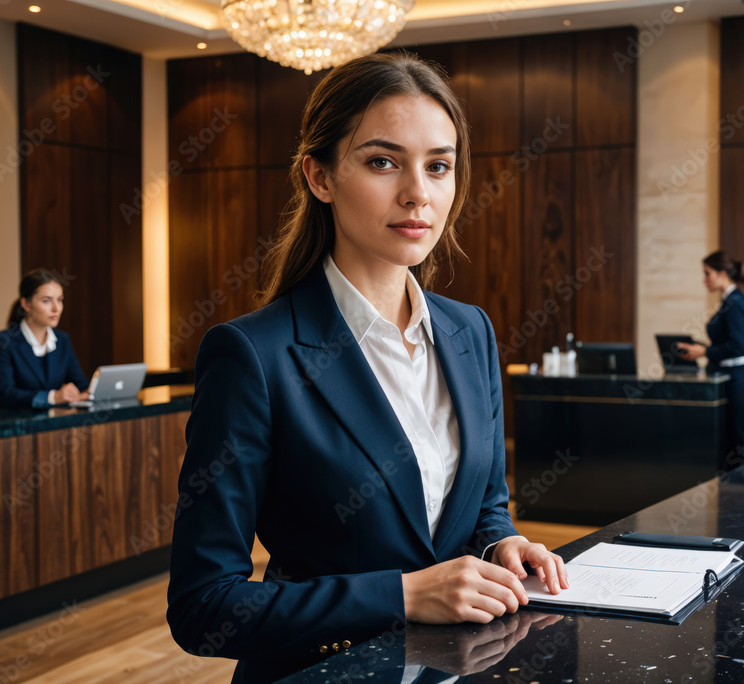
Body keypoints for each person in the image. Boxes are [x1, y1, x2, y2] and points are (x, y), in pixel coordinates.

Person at [166, 52, 569, 683]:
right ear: (319, 177)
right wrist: (404, 595)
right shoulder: (252, 356)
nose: (418, 193)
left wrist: (498, 545)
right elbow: (202, 606)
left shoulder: (472, 331)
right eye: (383, 162)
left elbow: (485, 502)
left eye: (438, 166)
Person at [677, 251, 744, 465]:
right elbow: (730, 343)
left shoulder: (735, 301)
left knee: (742, 443)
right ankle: (734, 495)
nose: (704, 279)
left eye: (707, 273)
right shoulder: (729, 300)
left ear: (722, 273)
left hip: (739, 380)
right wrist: (701, 348)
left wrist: (704, 352)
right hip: (730, 377)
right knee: (730, 443)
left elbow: (738, 345)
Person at [0, 269, 89, 409]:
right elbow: (5, 393)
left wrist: (83, 394)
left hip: (53, 423)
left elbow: (81, 384)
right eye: (46, 301)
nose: (56, 308)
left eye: (60, 300)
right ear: (26, 304)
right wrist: (52, 397)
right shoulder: (3, 341)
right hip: (16, 425)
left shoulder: (62, 340)